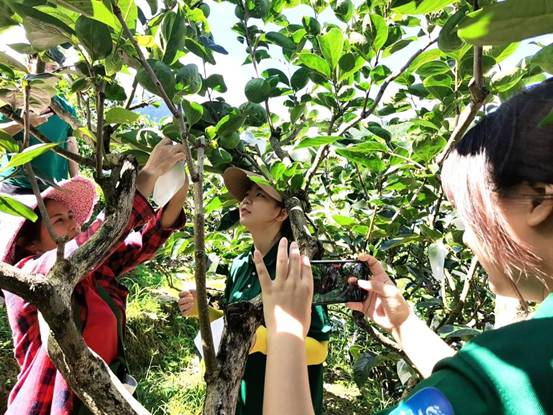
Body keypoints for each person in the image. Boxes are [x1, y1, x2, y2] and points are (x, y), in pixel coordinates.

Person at [256, 79, 553, 415]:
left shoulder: (519, 358)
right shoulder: (523, 364)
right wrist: (403, 323)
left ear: (537, 200)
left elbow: (485, 387)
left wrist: (285, 329)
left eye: (469, 214)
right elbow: (481, 395)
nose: (468, 238)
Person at [0, 138, 188, 414]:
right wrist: (147, 176)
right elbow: (89, 243)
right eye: (59, 220)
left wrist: (179, 184)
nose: (74, 226)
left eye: (71, 216)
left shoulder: (94, 272)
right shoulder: (27, 277)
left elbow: (145, 241)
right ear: (29, 243)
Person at [178, 167, 331, 415]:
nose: (246, 200)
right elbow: (235, 325)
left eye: (260, 195)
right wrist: (204, 311)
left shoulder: (299, 266)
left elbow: (319, 350)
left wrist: (263, 340)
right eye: (246, 194)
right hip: (240, 401)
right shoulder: (240, 264)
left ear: (282, 212)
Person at [0, 51, 79, 194]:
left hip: (53, 187)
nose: (47, 73)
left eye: (53, 68)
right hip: (15, 185)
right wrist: (23, 123)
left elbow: (71, 144)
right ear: (29, 66)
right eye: (43, 66)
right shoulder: (12, 100)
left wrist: (77, 182)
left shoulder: (66, 109)